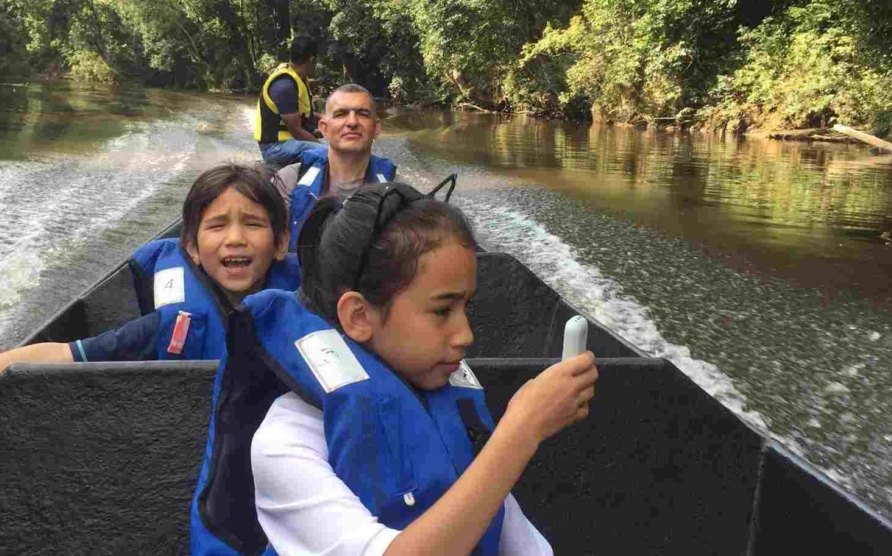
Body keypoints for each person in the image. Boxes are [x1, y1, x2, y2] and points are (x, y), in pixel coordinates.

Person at [190, 181, 598, 555]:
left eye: (466, 307)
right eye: (442, 310)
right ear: (359, 316)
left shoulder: (453, 415)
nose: (466, 335)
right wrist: (522, 429)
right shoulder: (285, 441)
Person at [0, 163, 300, 420]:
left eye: (254, 225)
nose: (236, 239)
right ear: (192, 249)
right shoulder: (169, 328)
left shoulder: (315, 308)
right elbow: (61, 355)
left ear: (281, 243)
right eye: (217, 226)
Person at [273, 83, 396, 252]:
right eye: (341, 114)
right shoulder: (289, 181)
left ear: (376, 128)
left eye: (363, 114)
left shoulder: (396, 190)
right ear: (324, 128)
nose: (352, 122)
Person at [257, 35, 325, 167]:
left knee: (328, 148)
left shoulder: (296, 77)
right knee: (326, 153)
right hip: (274, 148)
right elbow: (297, 131)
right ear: (311, 59)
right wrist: (325, 148)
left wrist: (324, 119)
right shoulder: (285, 86)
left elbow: (300, 114)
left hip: (289, 142)